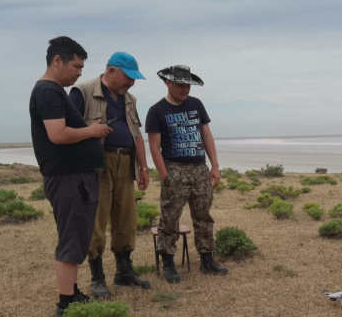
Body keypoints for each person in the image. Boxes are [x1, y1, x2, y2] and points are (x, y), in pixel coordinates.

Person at [28, 36, 112, 317]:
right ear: (57, 60)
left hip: (74, 177)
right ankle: (66, 304)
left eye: (82, 67)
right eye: (76, 66)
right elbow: (58, 135)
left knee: (77, 237)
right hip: (68, 178)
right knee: (71, 239)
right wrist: (91, 131)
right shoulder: (48, 91)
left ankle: (73, 293)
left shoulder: (54, 91)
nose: (79, 73)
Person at [69, 52, 151, 298]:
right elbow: (67, 129)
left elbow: (137, 135)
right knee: (96, 220)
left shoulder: (130, 99)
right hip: (97, 165)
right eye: (128, 77)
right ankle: (97, 277)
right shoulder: (82, 92)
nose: (131, 83)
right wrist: (91, 131)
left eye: (134, 79)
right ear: (112, 71)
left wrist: (144, 167)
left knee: (126, 218)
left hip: (126, 163)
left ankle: (124, 271)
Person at [145, 65, 228, 283]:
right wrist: (165, 174)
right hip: (174, 169)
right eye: (181, 85)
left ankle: (207, 259)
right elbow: (154, 146)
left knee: (203, 216)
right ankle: (169, 264)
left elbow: (207, 135)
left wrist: (215, 166)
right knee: (169, 218)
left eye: (188, 85)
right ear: (168, 83)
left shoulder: (196, 105)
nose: (185, 89)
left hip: (200, 170)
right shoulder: (157, 110)